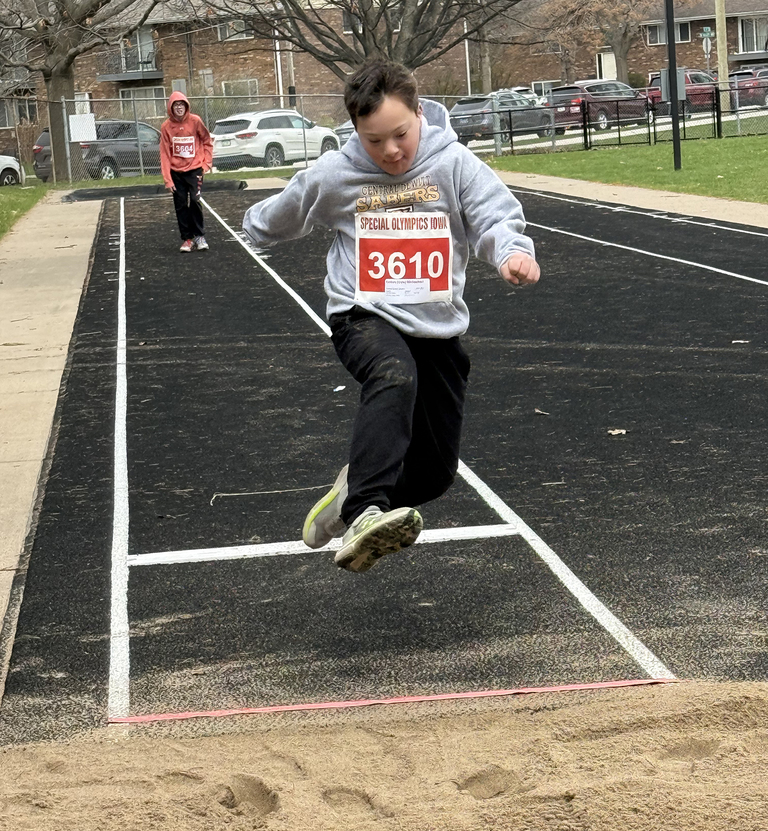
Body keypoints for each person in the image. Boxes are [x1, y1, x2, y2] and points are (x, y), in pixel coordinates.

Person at [242, 59, 540, 573]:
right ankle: (363, 512)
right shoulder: (337, 173)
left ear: (420, 112)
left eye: (399, 135)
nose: (391, 151)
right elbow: (284, 211)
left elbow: (494, 215)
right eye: (374, 141)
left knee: (434, 474)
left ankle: (348, 497)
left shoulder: (454, 164)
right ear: (356, 132)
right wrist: (260, 224)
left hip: (435, 324)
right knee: (392, 374)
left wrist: (512, 252)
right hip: (364, 314)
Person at [160, 91, 213, 252]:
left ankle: (200, 236)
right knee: (180, 204)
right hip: (176, 172)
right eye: (176, 105)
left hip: (194, 169)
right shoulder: (166, 127)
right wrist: (167, 179)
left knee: (195, 201)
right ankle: (187, 239)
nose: (179, 108)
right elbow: (164, 153)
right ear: (171, 108)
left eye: (182, 104)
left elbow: (206, 141)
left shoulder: (195, 121)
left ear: (186, 106)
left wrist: (206, 164)